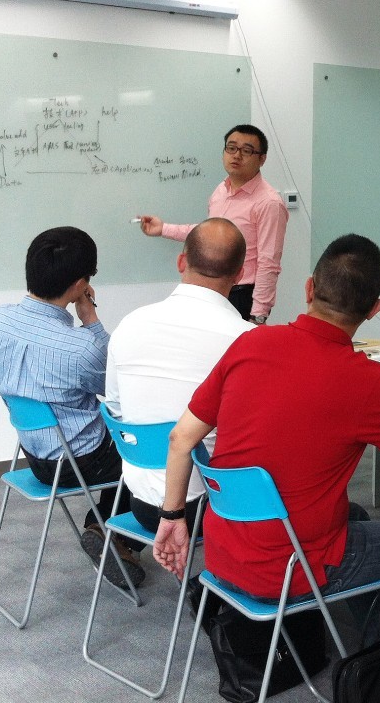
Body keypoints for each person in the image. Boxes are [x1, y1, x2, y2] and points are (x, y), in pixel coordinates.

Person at [152, 233, 380, 631]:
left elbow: (180, 439)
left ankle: (378, 638)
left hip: (222, 556)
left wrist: (172, 517)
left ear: (309, 288)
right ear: (374, 310)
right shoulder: (365, 380)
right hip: (291, 567)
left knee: (356, 516)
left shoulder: (250, 344)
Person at [0, 226, 145, 589]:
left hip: (35, 456)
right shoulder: (80, 347)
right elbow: (116, 387)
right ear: (79, 284)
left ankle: (106, 529)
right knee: (152, 452)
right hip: (81, 462)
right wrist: (90, 319)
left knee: (120, 440)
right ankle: (113, 533)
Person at [106, 218, 253, 534]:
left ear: (181, 262)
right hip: (212, 506)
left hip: (140, 502)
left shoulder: (129, 324)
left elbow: (116, 411)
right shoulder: (246, 341)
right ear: (240, 275)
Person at [137, 124, 288, 324]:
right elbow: (208, 235)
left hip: (241, 295)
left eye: (246, 151)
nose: (236, 155)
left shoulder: (269, 203)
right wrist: (163, 229)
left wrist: (258, 316)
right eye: (231, 148)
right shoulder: (220, 191)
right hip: (209, 291)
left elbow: (269, 263)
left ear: (262, 159)